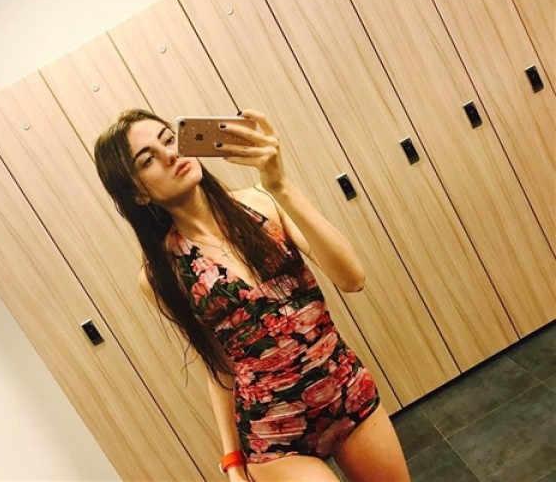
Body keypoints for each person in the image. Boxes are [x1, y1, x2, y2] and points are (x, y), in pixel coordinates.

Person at [94, 108, 410, 482]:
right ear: (137, 193)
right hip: (273, 432)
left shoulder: (262, 202)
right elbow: (219, 365)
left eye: (169, 139)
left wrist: (281, 186)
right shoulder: (160, 275)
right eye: (148, 160)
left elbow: (352, 278)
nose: (171, 154)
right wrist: (232, 461)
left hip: (346, 390)